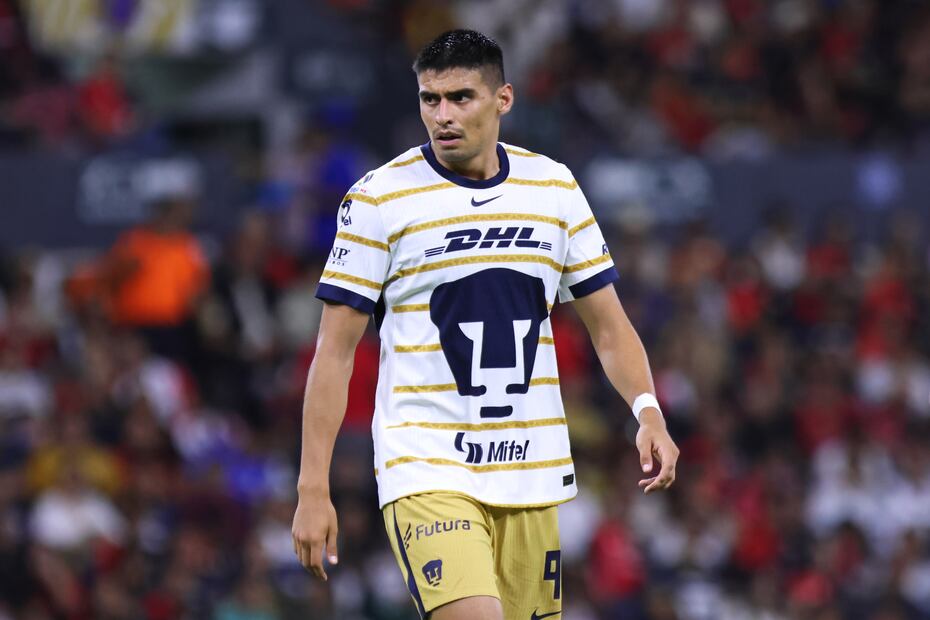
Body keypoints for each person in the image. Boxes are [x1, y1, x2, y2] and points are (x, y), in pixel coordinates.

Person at [292, 29, 679, 620]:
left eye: (461, 98)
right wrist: (312, 488)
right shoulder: (378, 200)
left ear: (503, 100)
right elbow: (334, 352)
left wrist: (647, 410)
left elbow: (609, 326)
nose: (442, 115)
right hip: (425, 468)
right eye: (430, 99)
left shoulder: (553, 188)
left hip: (531, 472)